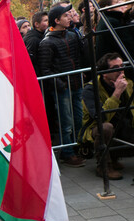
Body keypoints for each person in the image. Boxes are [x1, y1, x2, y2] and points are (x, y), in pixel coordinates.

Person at [38, 3, 86, 167]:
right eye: (65, 16)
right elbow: (45, 69)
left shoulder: (72, 35)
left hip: (76, 84)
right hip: (62, 89)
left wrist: (81, 74)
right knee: (66, 123)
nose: (69, 17)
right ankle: (67, 153)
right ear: (56, 20)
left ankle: (79, 147)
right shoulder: (46, 43)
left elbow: (80, 57)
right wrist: (61, 84)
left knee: (78, 119)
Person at [81, 53, 134, 181]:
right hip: (100, 133)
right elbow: (100, 117)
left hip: (126, 130)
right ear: (105, 73)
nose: (121, 70)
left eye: (122, 66)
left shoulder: (128, 83)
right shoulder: (91, 90)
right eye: (115, 68)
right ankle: (104, 166)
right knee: (106, 127)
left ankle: (115, 157)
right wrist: (117, 93)